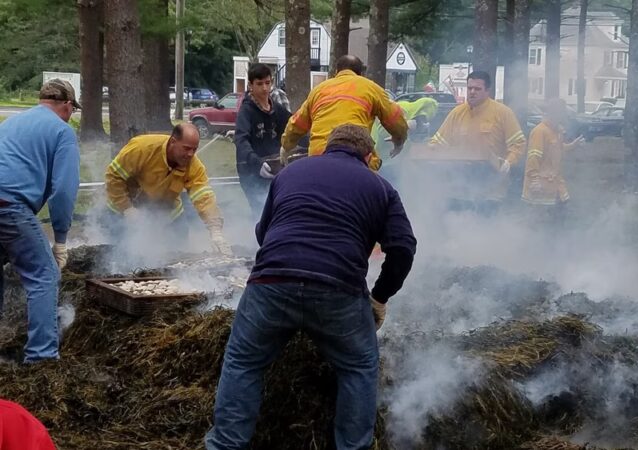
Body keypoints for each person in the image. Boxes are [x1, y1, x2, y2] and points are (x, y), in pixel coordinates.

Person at [205, 125, 417, 450]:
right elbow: (403, 248)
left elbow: (263, 233)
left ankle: (225, 445)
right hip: (339, 290)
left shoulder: (291, 173)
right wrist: (379, 297)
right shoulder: (381, 187)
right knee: (359, 367)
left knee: (243, 361)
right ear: (368, 156)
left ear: (327, 148)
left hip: (272, 282)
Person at [0, 79, 80, 363]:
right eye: (72, 110)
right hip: (9, 206)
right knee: (44, 275)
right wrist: (60, 241)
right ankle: (41, 358)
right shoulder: (62, 131)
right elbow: (64, 191)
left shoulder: (11, 123)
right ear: (67, 105)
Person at [105, 124, 233, 256]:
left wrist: (215, 230)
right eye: (186, 148)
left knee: (179, 250)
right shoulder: (142, 148)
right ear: (173, 142)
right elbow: (114, 176)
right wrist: (127, 208)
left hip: (167, 213)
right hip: (123, 208)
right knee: (120, 253)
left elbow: (203, 196)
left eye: (194, 150)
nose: (190, 154)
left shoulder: (193, 165)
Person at [280, 55, 409, 171]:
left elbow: (297, 123)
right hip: (356, 159)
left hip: (319, 159)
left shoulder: (318, 90)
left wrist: (285, 147)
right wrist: (399, 141)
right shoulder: (370, 88)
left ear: (336, 72)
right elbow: (395, 118)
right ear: (361, 74)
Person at [429, 71, 527, 203]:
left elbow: (518, 143)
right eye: (470, 88)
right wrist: (430, 152)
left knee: (486, 222)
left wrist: (507, 164)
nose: (472, 92)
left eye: (477, 89)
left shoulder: (503, 113)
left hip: (492, 191)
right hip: (459, 189)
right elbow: (438, 142)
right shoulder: (457, 113)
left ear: (488, 91)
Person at [234, 63, 291, 218]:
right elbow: (240, 139)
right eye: (259, 84)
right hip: (251, 170)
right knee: (260, 211)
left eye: (268, 83)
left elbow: (294, 129)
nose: (265, 88)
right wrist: (256, 163)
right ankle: (257, 240)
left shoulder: (277, 109)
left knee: (279, 209)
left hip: (274, 168)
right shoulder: (246, 111)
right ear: (250, 85)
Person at [522, 98, 584, 221]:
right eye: (562, 113)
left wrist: (572, 146)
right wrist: (534, 180)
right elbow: (533, 158)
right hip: (540, 190)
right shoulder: (540, 131)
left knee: (557, 223)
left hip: (555, 187)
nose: (565, 117)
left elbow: (558, 150)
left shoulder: (557, 132)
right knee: (541, 224)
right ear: (554, 113)